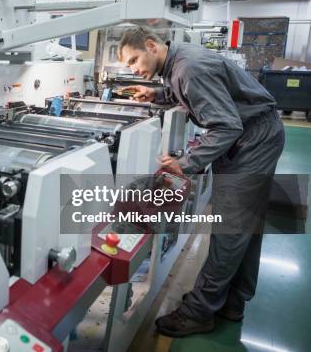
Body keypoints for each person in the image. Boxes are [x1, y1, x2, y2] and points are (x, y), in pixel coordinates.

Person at [117, 26, 285, 337]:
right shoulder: (179, 64)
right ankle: (232, 302)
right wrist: (158, 94)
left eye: (134, 60)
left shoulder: (188, 68)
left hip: (252, 141)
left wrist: (185, 164)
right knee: (245, 226)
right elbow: (193, 93)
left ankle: (199, 312)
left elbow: (226, 126)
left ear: (152, 46)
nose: (133, 69)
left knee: (231, 230)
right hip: (256, 134)